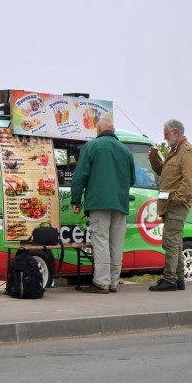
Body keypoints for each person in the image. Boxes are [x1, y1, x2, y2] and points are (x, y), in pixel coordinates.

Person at [71, 117, 135, 294]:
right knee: (116, 243)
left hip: (99, 202)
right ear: (113, 130)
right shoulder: (125, 150)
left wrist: (75, 200)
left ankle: (101, 282)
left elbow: (80, 176)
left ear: (98, 130)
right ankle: (114, 282)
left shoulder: (92, 147)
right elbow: (132, 179)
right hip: (120, 204)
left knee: (100, 241)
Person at [147, 119, 192, 291]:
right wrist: (154, 160)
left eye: (166, 134)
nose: (164, 137)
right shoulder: (174, 151)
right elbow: (165, 173)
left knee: (170, 240)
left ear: (176, 132)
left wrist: (176, 198)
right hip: (169, 203)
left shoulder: (187, 151)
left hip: (177, 203)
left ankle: (169, 280)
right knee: (176, 242)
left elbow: (189, 180)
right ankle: (179, 279)